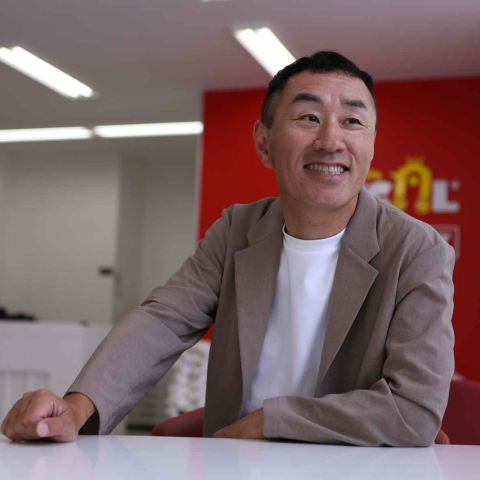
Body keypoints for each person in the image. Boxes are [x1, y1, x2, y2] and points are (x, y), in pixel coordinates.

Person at [1, 51, 455, 446]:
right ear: (264, 142)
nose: (331, 141)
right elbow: (162, 321)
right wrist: (78, 406)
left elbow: (413, 408)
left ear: (370, 144)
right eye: (309, 117)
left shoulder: (416, 250)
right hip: (235, 461)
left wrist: (271, 422)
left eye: (353, 121)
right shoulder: (238, 229)